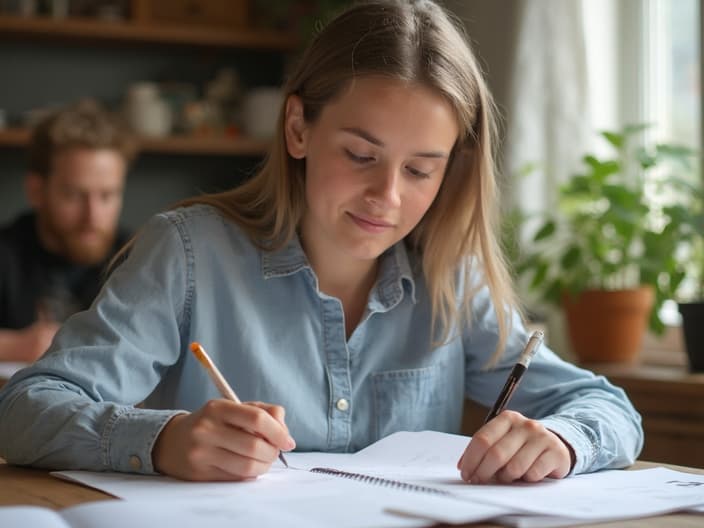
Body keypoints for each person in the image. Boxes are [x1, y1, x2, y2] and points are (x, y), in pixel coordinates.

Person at [0, 0, 643, 486]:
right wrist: (164, 438)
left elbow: (606, 408)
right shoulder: (188, 255)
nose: (386, 196)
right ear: (298, 126)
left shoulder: (450, 276)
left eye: (421, 169)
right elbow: (25, 410)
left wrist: (562, 440)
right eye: (361, 155)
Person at [0, 100, 135, 363]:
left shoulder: (138, 259)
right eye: (73, 195)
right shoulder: (6, 252)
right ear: (36, 191)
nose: (92, 216)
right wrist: (12, 346)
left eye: (107, 196)